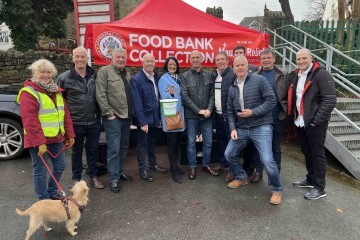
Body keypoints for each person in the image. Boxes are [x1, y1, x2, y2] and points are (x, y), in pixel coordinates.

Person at [225, 55, 282, 205]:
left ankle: (276, 190)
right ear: (233, 68)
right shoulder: (232, 88)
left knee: (267, 159)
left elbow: (271, 100)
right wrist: (233, 128)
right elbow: (230, 111)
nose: (240, 68)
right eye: (237, 66)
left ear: (248, 66)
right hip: (242, 128)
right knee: (229, 153)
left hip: (261, 125)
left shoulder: (259, 80)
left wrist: (253, 112)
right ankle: (241, 177)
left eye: (243, 65)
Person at [17, 59, 75, 200]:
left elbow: (65, 115)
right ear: (35, 73)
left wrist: (70, 135)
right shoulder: (29, 92)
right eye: (42, 72)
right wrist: (39, 142)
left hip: (56, 138)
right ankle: (43, 198)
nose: (46, 75)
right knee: (40, 170)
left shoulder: (56, 91)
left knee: (61, 165)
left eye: (48, 72)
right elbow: (30, 120)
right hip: (38, 140)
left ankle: (52, 192)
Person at [289, 48, 336, 200]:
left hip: (315, 122)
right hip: (300, 121)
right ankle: (310, 179)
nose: (301, 61)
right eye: (298, 59)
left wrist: (316, 120)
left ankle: (320, 187)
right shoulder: (297, 74)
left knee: (317, 153)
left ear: (311, 58)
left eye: (304, 58)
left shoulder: (321, 74)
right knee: (306, 151)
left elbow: (330, 99)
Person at [57, 46, 104, 189]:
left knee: (93, 150)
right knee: (76, 152)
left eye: (82, 57)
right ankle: (76, 179)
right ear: (73, 58)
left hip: (94, 121)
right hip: (75, 122)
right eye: (77, 57)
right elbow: (59, 101)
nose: (80, 59)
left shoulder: (94, 75)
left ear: (87, 58)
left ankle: (93, 176)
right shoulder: (64, 78)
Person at [96, 48, 134, 193]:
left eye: (123, 58)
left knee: (124, 147)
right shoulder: (104, 72)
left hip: (127, 117)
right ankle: (113, 179)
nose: (120, 60)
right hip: (114, 118)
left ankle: (119, 172)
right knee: (113, 150)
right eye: (118, 57)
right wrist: (108, 113)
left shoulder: (127, 73)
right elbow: (100, 94)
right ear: (112, 57)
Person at [251, 49, 289, 181]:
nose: (266, 60)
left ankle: (276, 173)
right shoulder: (255, 75)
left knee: (276, 146)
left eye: (269, 58)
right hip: (260, 117)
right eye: (263, 58)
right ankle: (258, 171)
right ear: (260, 60)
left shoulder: (283, 75)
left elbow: (289, 94)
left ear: (274, 59)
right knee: (258, 146)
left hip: (277, 116)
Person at [180, 50, 218, 179]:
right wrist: (198, 110)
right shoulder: (184, 76)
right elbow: (184, 96)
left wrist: (209, 109)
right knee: (191, 143)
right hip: (192, 116)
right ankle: (192, 167)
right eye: (193, 58)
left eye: (197, 57)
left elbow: (213, 94)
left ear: (201, 59)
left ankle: (206, 165)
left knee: (208, 142)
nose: (195, 59)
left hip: (207, 116)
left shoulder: (210, 75)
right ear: (190, 60)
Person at [130, 53, 167, 182]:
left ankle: (153, 164)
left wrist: (160, 118)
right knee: (142, 145)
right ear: (142, 63)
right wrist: (142, 122)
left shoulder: (156, 77)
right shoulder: (136, 79)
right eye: (147, 61)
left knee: (152, 143)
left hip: (154, 118)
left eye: (152, 61)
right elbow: (137, 102)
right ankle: (143, 170)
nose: (150, 64)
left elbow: (158, 98)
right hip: (144, 120)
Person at [232, 45, 260, 181]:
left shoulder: (255, 72)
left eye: (240, 53)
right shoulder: (232, 74)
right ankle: (243, 170)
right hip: (240, 120)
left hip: (255, 119)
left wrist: (254, 112)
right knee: (239, 149)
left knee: (257, 149)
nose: (240, 67)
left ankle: (254, 170)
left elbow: (268, 98)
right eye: (236, 53)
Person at [158, 57, 186, 184]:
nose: (172, 67)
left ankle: (175, 166)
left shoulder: (178, 78)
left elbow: (173, 91)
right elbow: (164, 94)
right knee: (171, 144)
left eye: (174, 65)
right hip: (170, 115)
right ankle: (174, 170)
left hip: (179, 114)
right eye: (170, 65)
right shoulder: (164, 78)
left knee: (177, 142)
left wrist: (174, 90)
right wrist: (178, 91)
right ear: (166, 66)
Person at [212, 51, 236, 182]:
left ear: (227, 61)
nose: (220, 61)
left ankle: (233, 170)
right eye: (218, 59)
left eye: (222, 59)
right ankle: (224, 164)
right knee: (221, 141)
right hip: (218, 114)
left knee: (232, 144)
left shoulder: (232, 74)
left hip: (228, 115)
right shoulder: (215, 75)